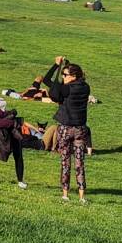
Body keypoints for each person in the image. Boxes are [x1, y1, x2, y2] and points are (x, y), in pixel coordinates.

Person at [42, 57, 91, 203]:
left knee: (65, 162)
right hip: (80, 129)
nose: (63, 77)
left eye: (65, 74)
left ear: (73, 76)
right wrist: (65, 66)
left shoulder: (65, 89)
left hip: (65, 128)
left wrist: (57, 66)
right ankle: (82, 196)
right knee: (79, 162)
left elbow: (48, 82)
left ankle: (65, 194)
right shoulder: (86, 87)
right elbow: (55, 86)